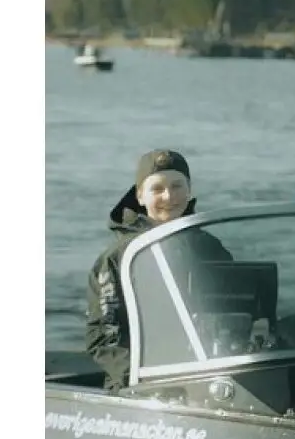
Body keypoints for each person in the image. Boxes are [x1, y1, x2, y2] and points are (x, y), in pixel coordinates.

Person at [83, 149, 227, 388]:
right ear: (140, 196)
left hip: (205, 376)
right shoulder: (118, 258)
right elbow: (102, 337)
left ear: (190, 190)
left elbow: (233, 312)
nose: (169, 196)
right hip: (138, 385)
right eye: (157, 189)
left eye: (177, 186)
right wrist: (141, 379)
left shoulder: (209, 248)